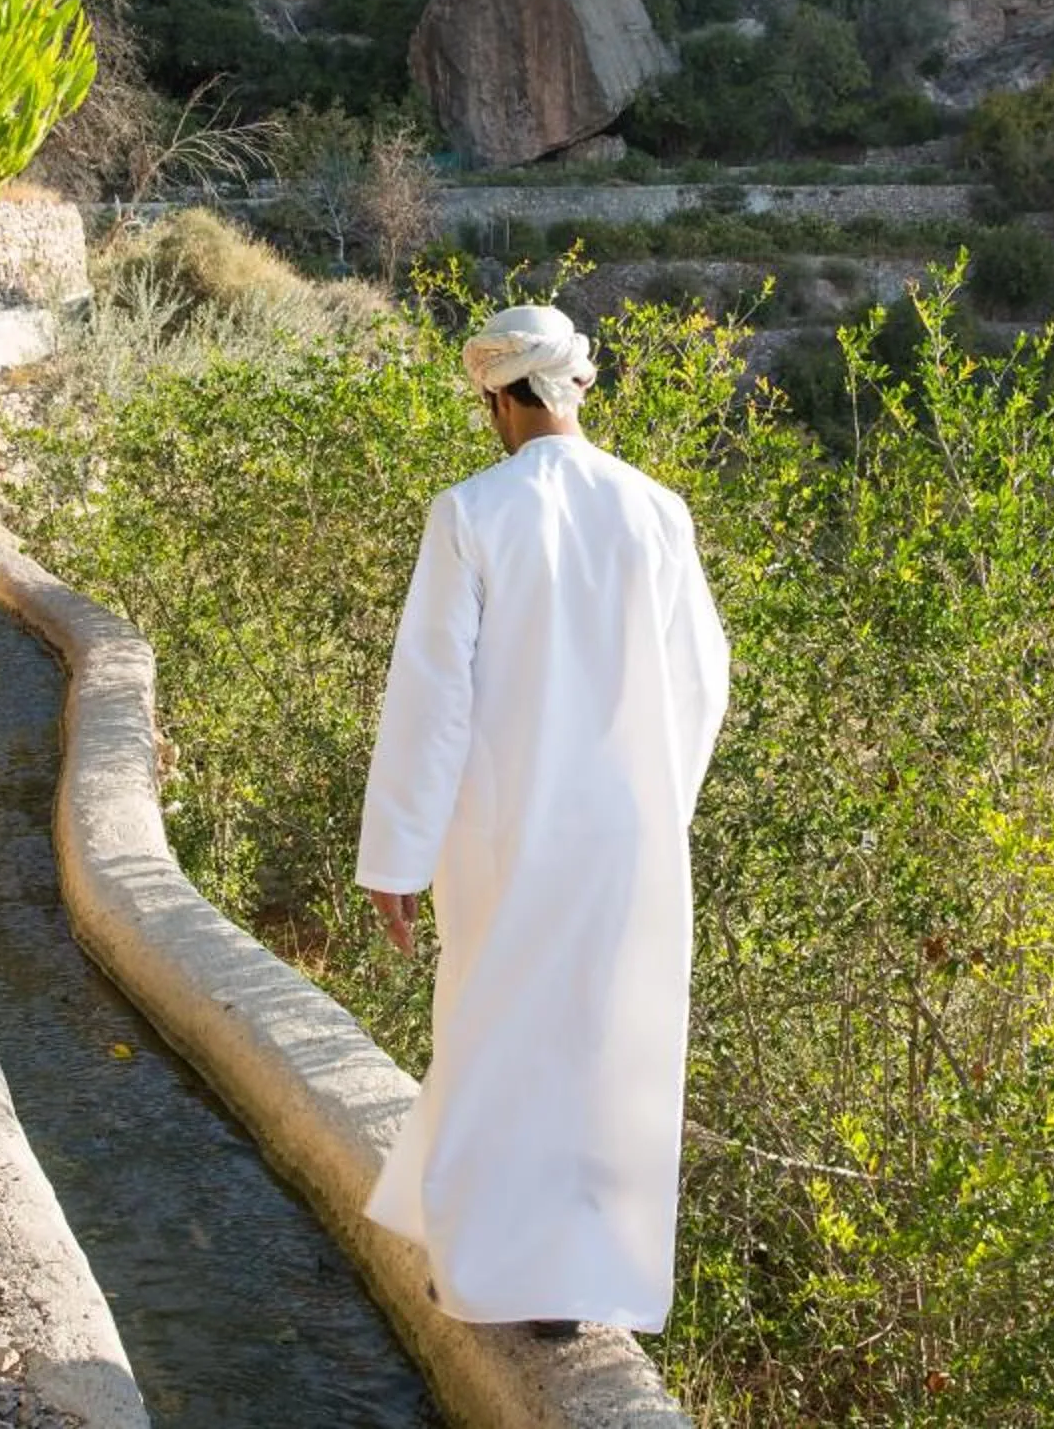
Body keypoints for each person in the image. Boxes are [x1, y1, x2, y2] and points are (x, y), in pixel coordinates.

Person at [356, 302, 730, 1341]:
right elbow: (703, 683)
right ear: (572, 387)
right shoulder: (658, 507)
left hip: (505, 829)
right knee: (606, 1042)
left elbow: (434, 699)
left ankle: (477, 1272)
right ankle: (574, 1283)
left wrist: (399, 852)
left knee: (491, 1031)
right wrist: (659, 804)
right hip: (626, 834)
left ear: (497, 397)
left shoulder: (473, 512)